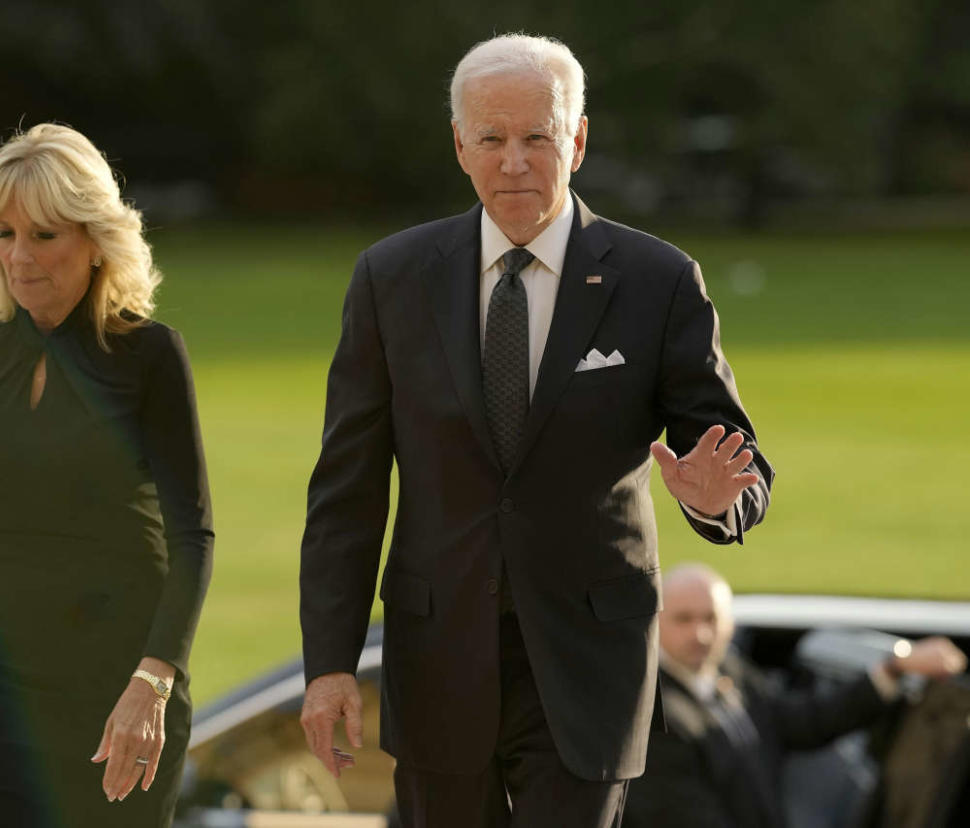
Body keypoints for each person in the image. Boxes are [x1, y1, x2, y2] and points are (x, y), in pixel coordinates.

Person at [298, 33, 775, 828]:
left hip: (589, 666)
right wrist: (328, 667)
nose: (514, 160)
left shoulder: (657, 282)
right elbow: (345, 492)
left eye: (537, 137)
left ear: (578, 140)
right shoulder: (390, 279)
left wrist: (716, 499)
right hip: (438, 657)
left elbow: (736, 465)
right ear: (459, 146)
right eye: (492, 139)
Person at [0, 123, 214, 828]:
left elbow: (192, 533)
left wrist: (154, 680)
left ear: (96, 239)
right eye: (3, 233)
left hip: (117, 691)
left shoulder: (149, 356)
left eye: (43, 235)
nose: (18, 256)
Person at [623, 564, 967, 828]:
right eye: (683, 619)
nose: (700, 633)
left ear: (730, 623)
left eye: (711, 618)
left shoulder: (728, 670)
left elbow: (801, 721)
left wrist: (893, 669)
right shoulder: (652, 716)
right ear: (657, 620)